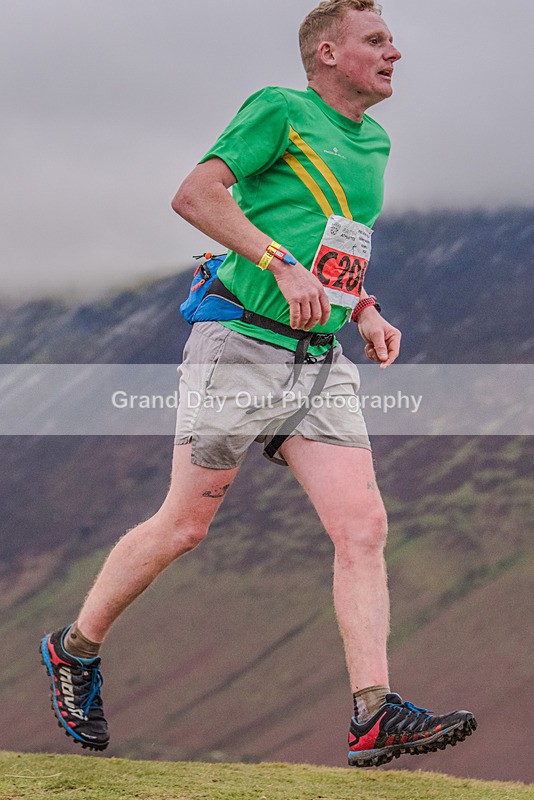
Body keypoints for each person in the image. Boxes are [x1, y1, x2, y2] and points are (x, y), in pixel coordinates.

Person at [40, 0, 477, 767]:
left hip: (318, 356)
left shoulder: (374, 140)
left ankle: (373, 713)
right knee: (184, 526)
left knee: (362, 525)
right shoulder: (279, 110)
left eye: (393, 40)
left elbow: (334, 240)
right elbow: (195, 195)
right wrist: (278, 261)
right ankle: (74, 650)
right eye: (377, 41)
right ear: (328, 53)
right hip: (240, 340)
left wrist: (366, 308)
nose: (395, 53)